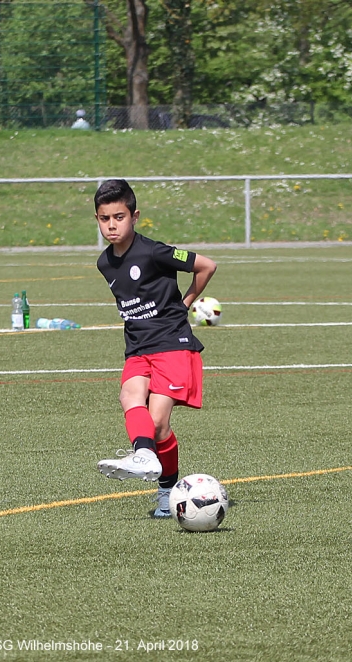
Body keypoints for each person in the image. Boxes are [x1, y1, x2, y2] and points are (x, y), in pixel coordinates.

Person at [93, 179, 217, 518]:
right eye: (105, 219)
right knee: (129, 396)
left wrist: (185, 303)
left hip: (171, 344)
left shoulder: (154, 252)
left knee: (158, 423)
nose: (112, 225)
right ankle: (144, 455)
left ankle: (166, 491)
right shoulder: (104, 263)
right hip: (137, 347)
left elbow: (207, 265)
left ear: (135, 217)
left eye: (119, 217)